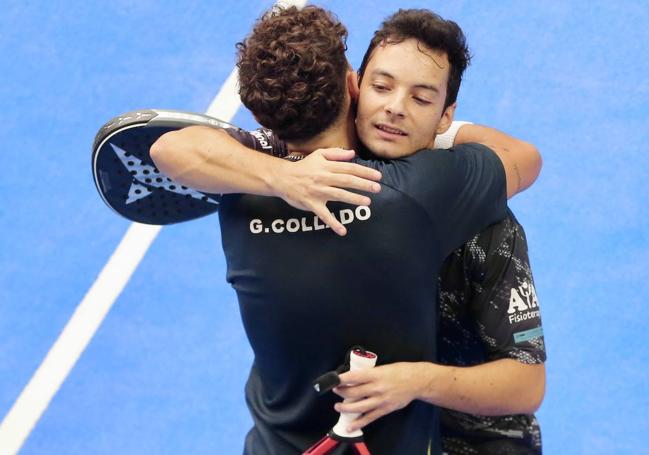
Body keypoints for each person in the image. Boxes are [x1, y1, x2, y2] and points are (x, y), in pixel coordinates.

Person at [151, 6, 541, 455]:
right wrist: (438, 129)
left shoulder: (238, 189)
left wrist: (282, 178)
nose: (395, 107)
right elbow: (523, 156)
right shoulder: (419, 195)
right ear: (354, 86)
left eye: (420, 96)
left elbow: (171, 148)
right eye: (383, 86)